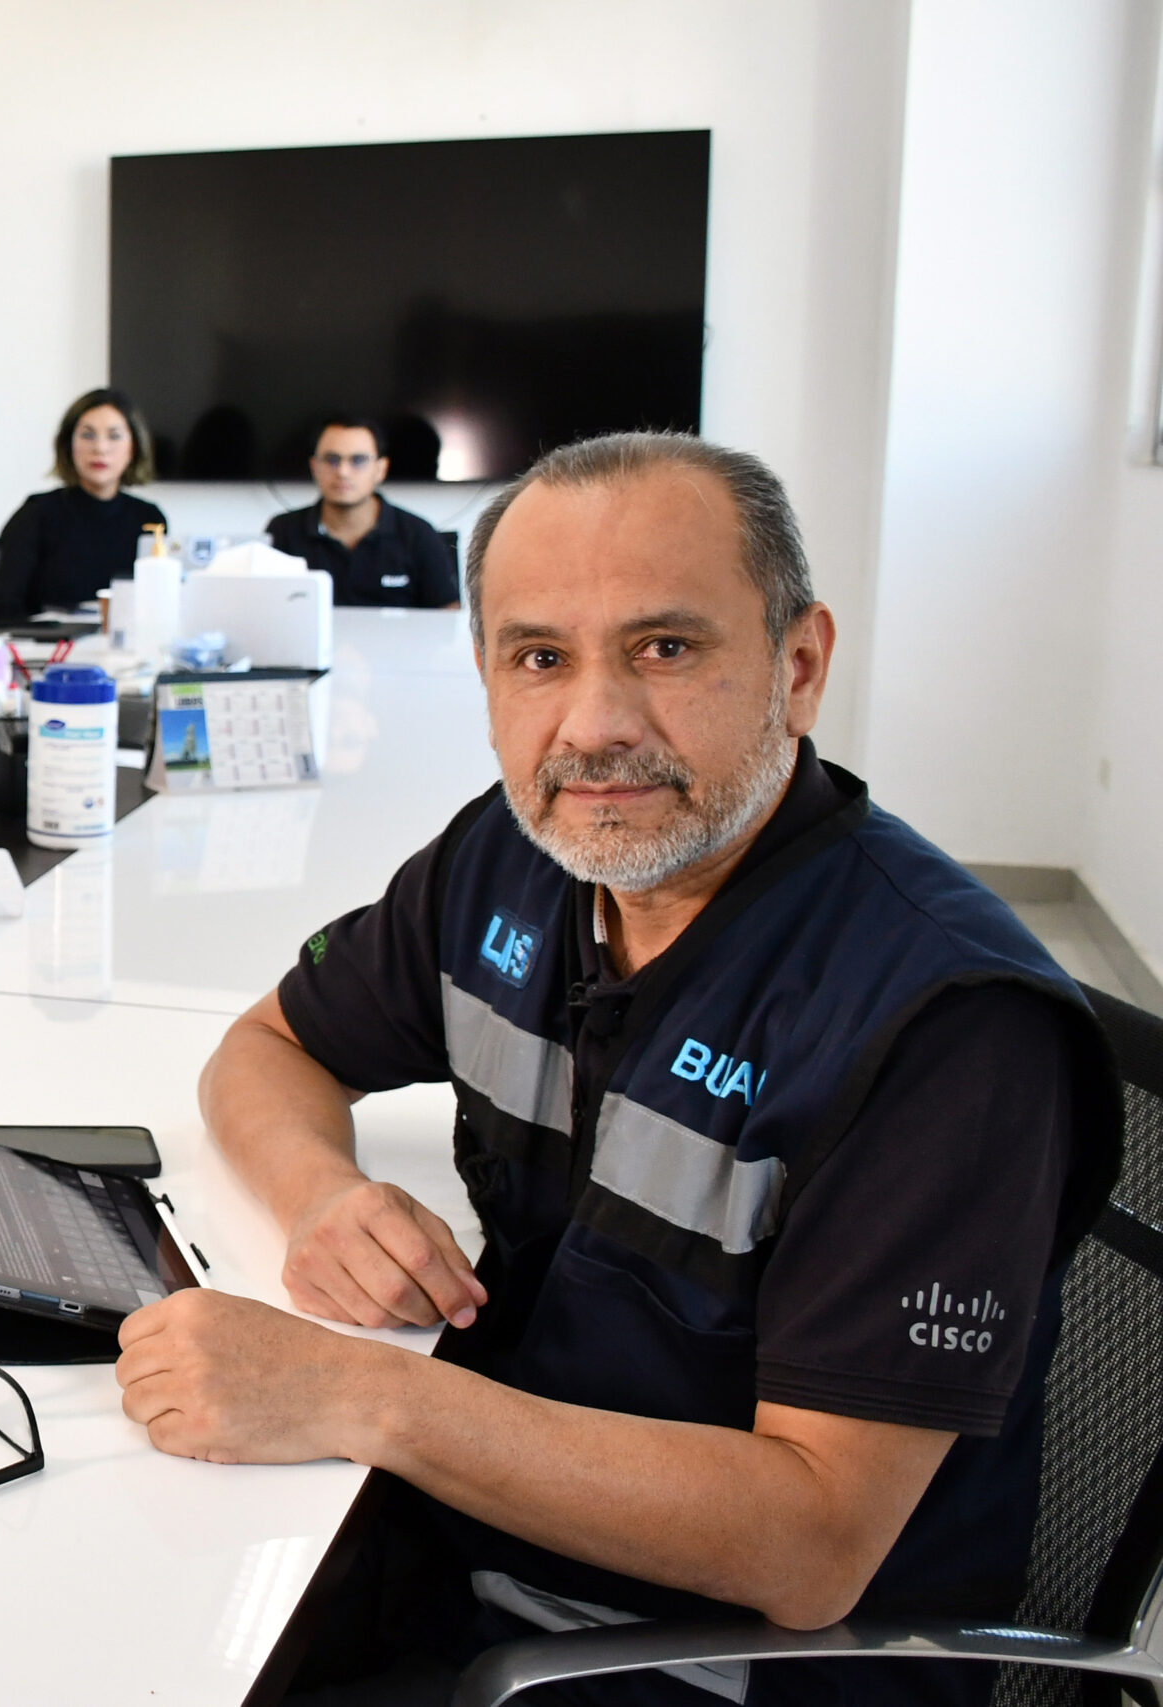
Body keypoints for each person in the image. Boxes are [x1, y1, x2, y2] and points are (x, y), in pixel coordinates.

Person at [112, 433, 1117, 1707]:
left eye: (666, 648)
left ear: (799, 667)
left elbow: (810, 1545)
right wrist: (320, 1194)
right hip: (478, 1546)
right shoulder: (514, 859)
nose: (592, 728)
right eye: (539, 658)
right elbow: (268, 1048)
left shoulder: (945, 1029)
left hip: (711, 1664)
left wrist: (360, 1398)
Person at [0, 388, 169, 626]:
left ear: (132, 448)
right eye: (87, 435)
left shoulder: (149, 519)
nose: (100, 448)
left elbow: (158, 607)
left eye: (114, 436)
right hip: (52, 645)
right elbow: (2, 612)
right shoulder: (36, 515)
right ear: (69, 444)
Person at [265, 416, 461, 608]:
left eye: (358, 460)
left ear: (380, 469)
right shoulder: (282, 531)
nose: (343, 472)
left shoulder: (418, 534)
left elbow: (449, 613)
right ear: (314, 467)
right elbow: (263, 607)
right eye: (332, 459)